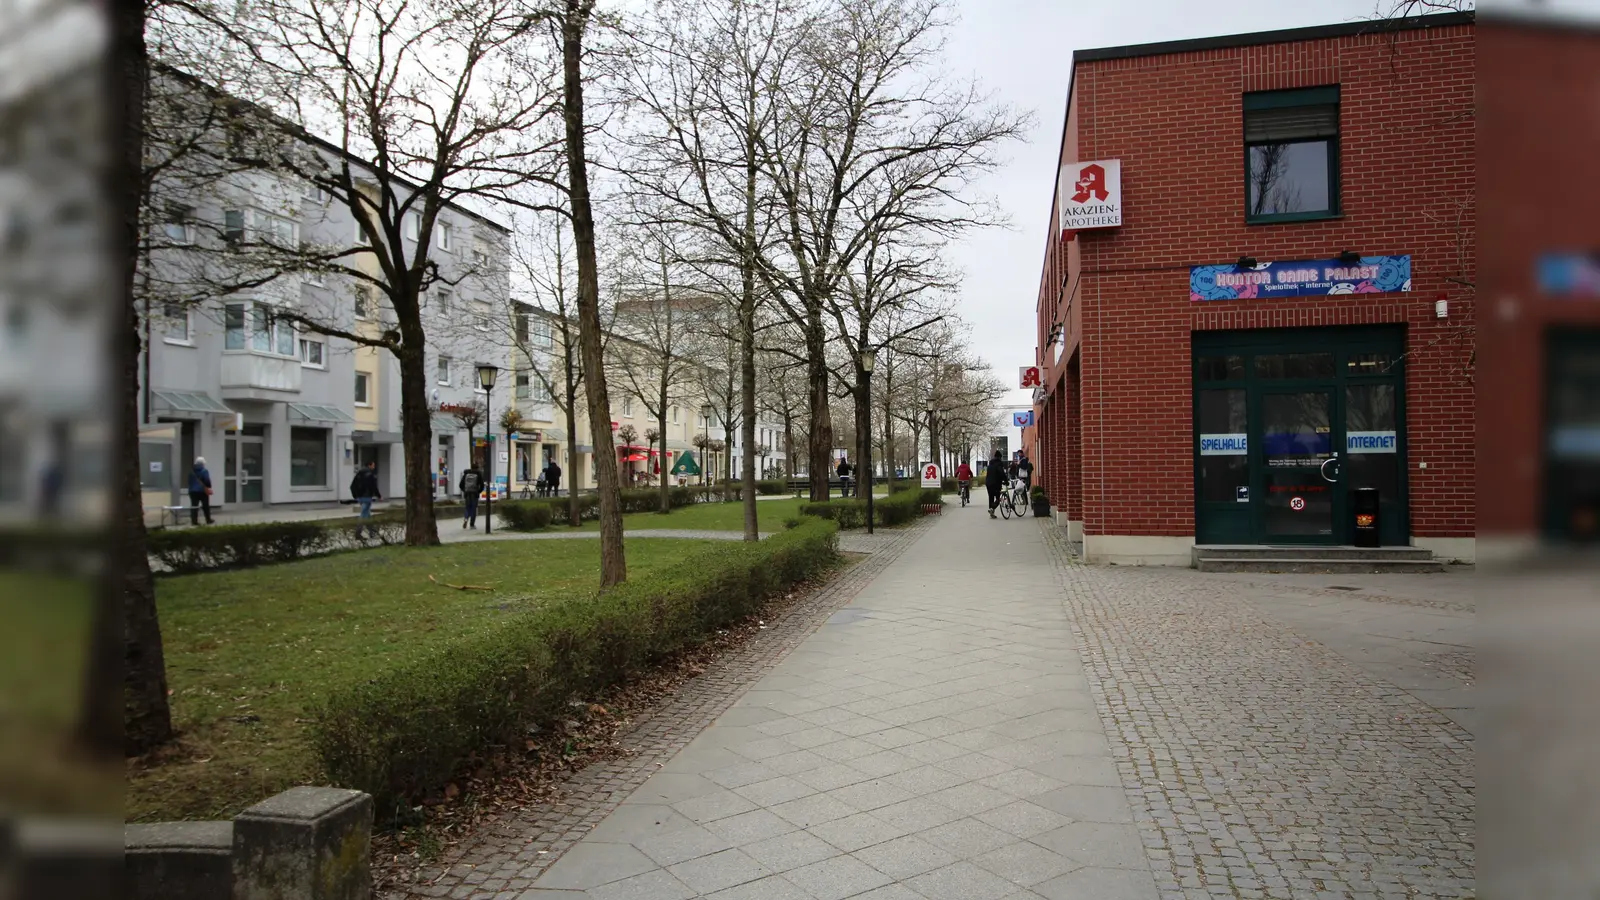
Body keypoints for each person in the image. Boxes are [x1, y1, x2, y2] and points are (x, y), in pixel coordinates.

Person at [350, 461, 381, 535]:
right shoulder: (370, 474)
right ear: (369, 466)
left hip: (360, 497)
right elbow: (373, 486)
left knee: (367, 514)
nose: (374, 467)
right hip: (367, 497)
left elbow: (352, 486)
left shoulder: (359, 474)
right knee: (364, 514)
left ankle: (372, 531)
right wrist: (379, 496)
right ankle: (358, 532)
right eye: (373, 465)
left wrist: (356, 496)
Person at [188, 456, 215, 525]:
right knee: (205, 506)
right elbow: (207, 480)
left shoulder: (191, 471)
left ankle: (194, 521)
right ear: (203, 464)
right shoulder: (204, 471)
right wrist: (208, 487)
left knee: (194, 506)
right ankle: (208, 519)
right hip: (202, 491)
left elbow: (189, 481)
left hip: (192, 491)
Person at [460, 459, 485, 529]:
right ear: (477, 468)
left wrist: (465, 490)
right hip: (474, 493)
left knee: (467, 507)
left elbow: (460, 485)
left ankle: (466, 518)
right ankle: (472, 524)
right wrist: (478, 491)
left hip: (467, 493)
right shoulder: (478, 474)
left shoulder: (466, 474)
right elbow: (482, 485)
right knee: (473, 508)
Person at [984, 449, 1007, 519]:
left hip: (988, 483)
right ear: (999, 457)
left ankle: (991, 513)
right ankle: (992, 509)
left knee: (991, 498)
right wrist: (1006, 481)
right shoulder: (999, 463)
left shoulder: (990, 464)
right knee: (998, 498)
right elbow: (1002, 473)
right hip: (996, 484)